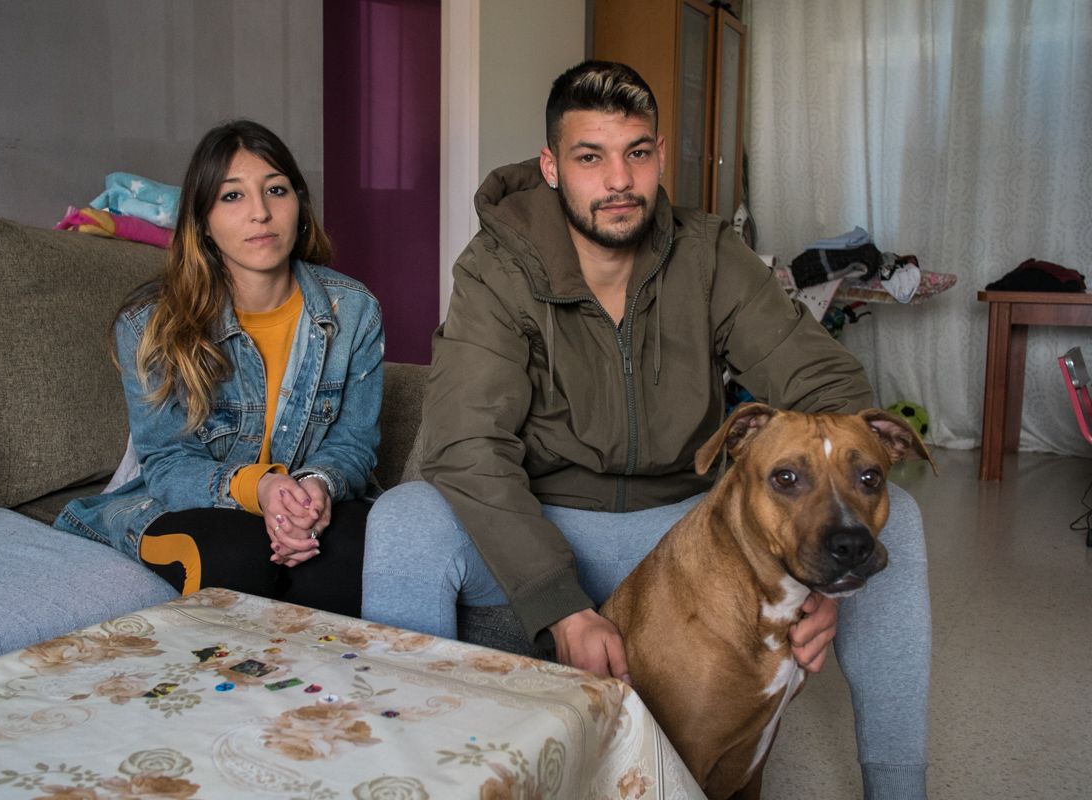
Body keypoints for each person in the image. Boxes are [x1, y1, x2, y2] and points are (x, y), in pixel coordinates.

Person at [363, 61, 930, 798]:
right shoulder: (497, 270)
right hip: (549, 515)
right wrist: (559, 603)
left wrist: (829, 570)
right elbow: (465, 446)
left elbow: (828, 386)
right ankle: (405, 775)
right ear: (551, 167)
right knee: (406, 519)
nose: (618, 179)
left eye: (636, 152)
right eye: (589, 157)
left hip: (685, 518)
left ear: (660, 155)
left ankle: (899, 787)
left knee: (903, 522)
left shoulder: (709, 253)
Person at [56, 119, 384, 617]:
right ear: (202, 219)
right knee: (239, 553)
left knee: (353, 547)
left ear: (299, 205)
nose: (261, 213)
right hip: (188, 502)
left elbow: (354, 443)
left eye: (276, 190)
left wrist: (314, 490)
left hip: (304, 498)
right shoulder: (149, 323)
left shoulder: (353, 310)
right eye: (232, 197)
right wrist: (264, 487)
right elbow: (167, 463)